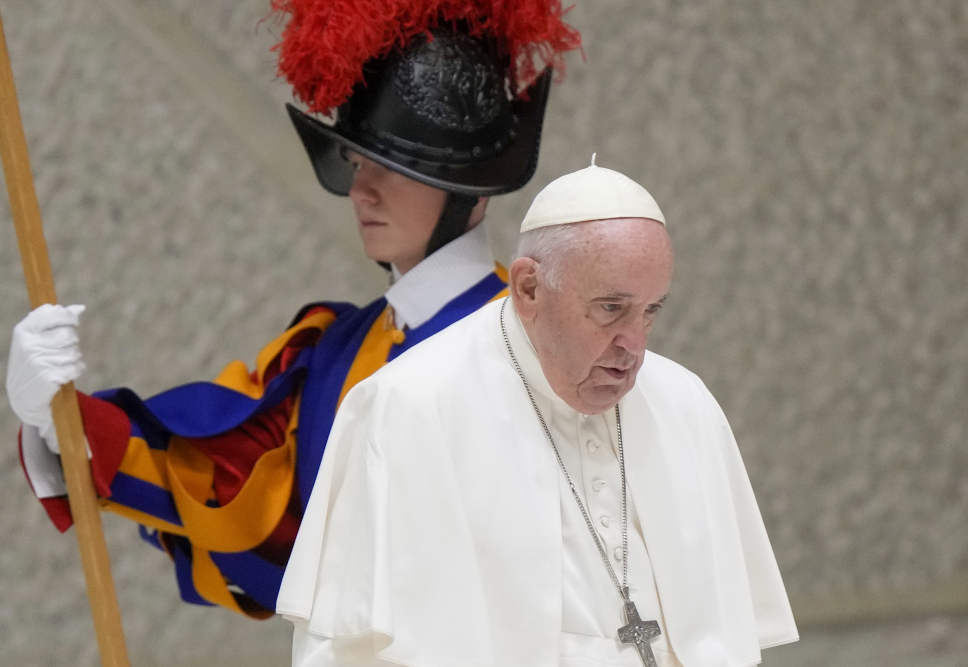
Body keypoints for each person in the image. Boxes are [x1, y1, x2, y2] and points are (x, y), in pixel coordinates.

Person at [6, 2, 580, 618]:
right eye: (357, 160)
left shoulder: (540, 352)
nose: (362, 187)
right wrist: (61, 422)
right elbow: (225, 487)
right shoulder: (335, 351)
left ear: (467, 181)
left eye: (392, 165)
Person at [277, 161, 799, 667]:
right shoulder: (409, 406)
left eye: (651, 311)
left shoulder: (685, 403)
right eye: (611, 308)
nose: (634, 345)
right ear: (528, 288)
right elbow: (342, 649)